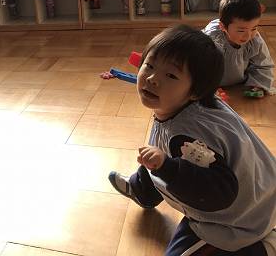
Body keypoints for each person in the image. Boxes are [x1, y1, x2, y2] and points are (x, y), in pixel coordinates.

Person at [108, 25, 276, 256]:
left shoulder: (187, 139)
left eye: (171, 75)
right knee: (156, 155)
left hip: (238, 218)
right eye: (150, 65)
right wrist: (164, 164)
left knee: (163, 161)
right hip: (261, 188)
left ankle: (262, 247)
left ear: (195, 91)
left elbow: (219, 192)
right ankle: (142, 190)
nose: (153, 79)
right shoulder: (186, 104)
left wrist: (168, 167)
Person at [203, 0, 274, 97]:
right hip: (213, 84)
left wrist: (258, 85)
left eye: (254, 28)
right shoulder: (212, 39)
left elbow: (263, 65)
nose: (248, 36)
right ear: (223, 27)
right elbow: (198, 67)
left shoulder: (254, 40)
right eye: (241, 30)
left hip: (240, 83)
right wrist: (208, 88)